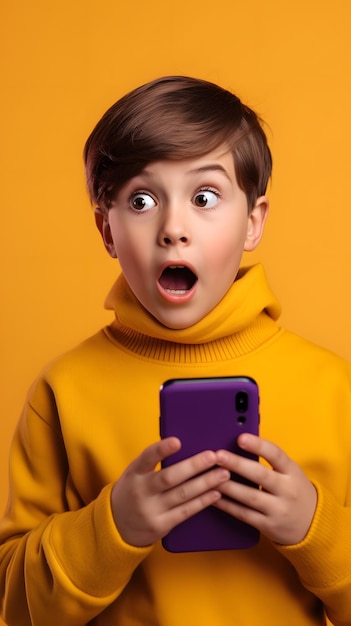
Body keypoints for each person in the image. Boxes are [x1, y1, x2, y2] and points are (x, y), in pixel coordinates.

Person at [0, 76, 350, 626]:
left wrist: (316, 527)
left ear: (253, 222)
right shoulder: (62, 392)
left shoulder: (334, 389)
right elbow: (14, 606)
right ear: (106, 231)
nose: (173, 229)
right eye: (141, 200)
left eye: (205, 197)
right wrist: (113, 526)